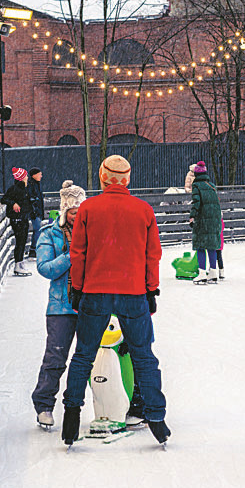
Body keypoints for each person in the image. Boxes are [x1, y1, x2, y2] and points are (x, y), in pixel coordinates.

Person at [62, 154, 169, 446]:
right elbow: (152, 255)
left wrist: (78, 288)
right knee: (143, 356)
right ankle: (156, 419)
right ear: (127, 180)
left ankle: (71, 416)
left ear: (103, 177)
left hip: (95, 292)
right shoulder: (143, 210)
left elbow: (78, 253)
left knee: (83, 355)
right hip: (133, 293)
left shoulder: (88, 209)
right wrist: (151, 290)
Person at [31, 180, 86, 428]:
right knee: (55, 358)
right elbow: (45, 268)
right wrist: (71, 254)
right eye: (73, 212)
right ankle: (44, 405)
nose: (78, 217)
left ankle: (103, 404)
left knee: (93, 358)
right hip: (61, 307)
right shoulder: (49, 234)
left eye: (81, 211)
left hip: (89, 304)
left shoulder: (92, 232)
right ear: (65, 211)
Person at [189, 161, 222, 284]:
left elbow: (196, 202)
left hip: (203, 219)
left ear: (196, 174)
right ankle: (213, 273)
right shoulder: (212, 185)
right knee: (211, 245)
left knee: (200, 246)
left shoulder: (196, 185)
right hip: (214, 219)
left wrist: (192, 216)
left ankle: (202, 274)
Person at [1, 167, 33, 276]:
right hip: (17, 219)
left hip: (23, 218)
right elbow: (4, 199)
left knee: (22, 241)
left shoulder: (25, 189)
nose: (27, 177)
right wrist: (13, 203)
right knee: (20, 242)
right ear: (21, 178)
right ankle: (17, 265)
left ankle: (20, 262)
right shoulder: (14, 189)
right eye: (26, 176)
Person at [28, 167, 44, 258]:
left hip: (36, 212)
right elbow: (32, 198)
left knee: (37, 230)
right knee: (37, 230)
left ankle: (34, 249)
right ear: (34, 175)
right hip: (35, 212)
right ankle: (33, 249)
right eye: (39, 174)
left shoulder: (36, 184)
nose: (41, 176)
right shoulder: (32, 185)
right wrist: (34, 210)